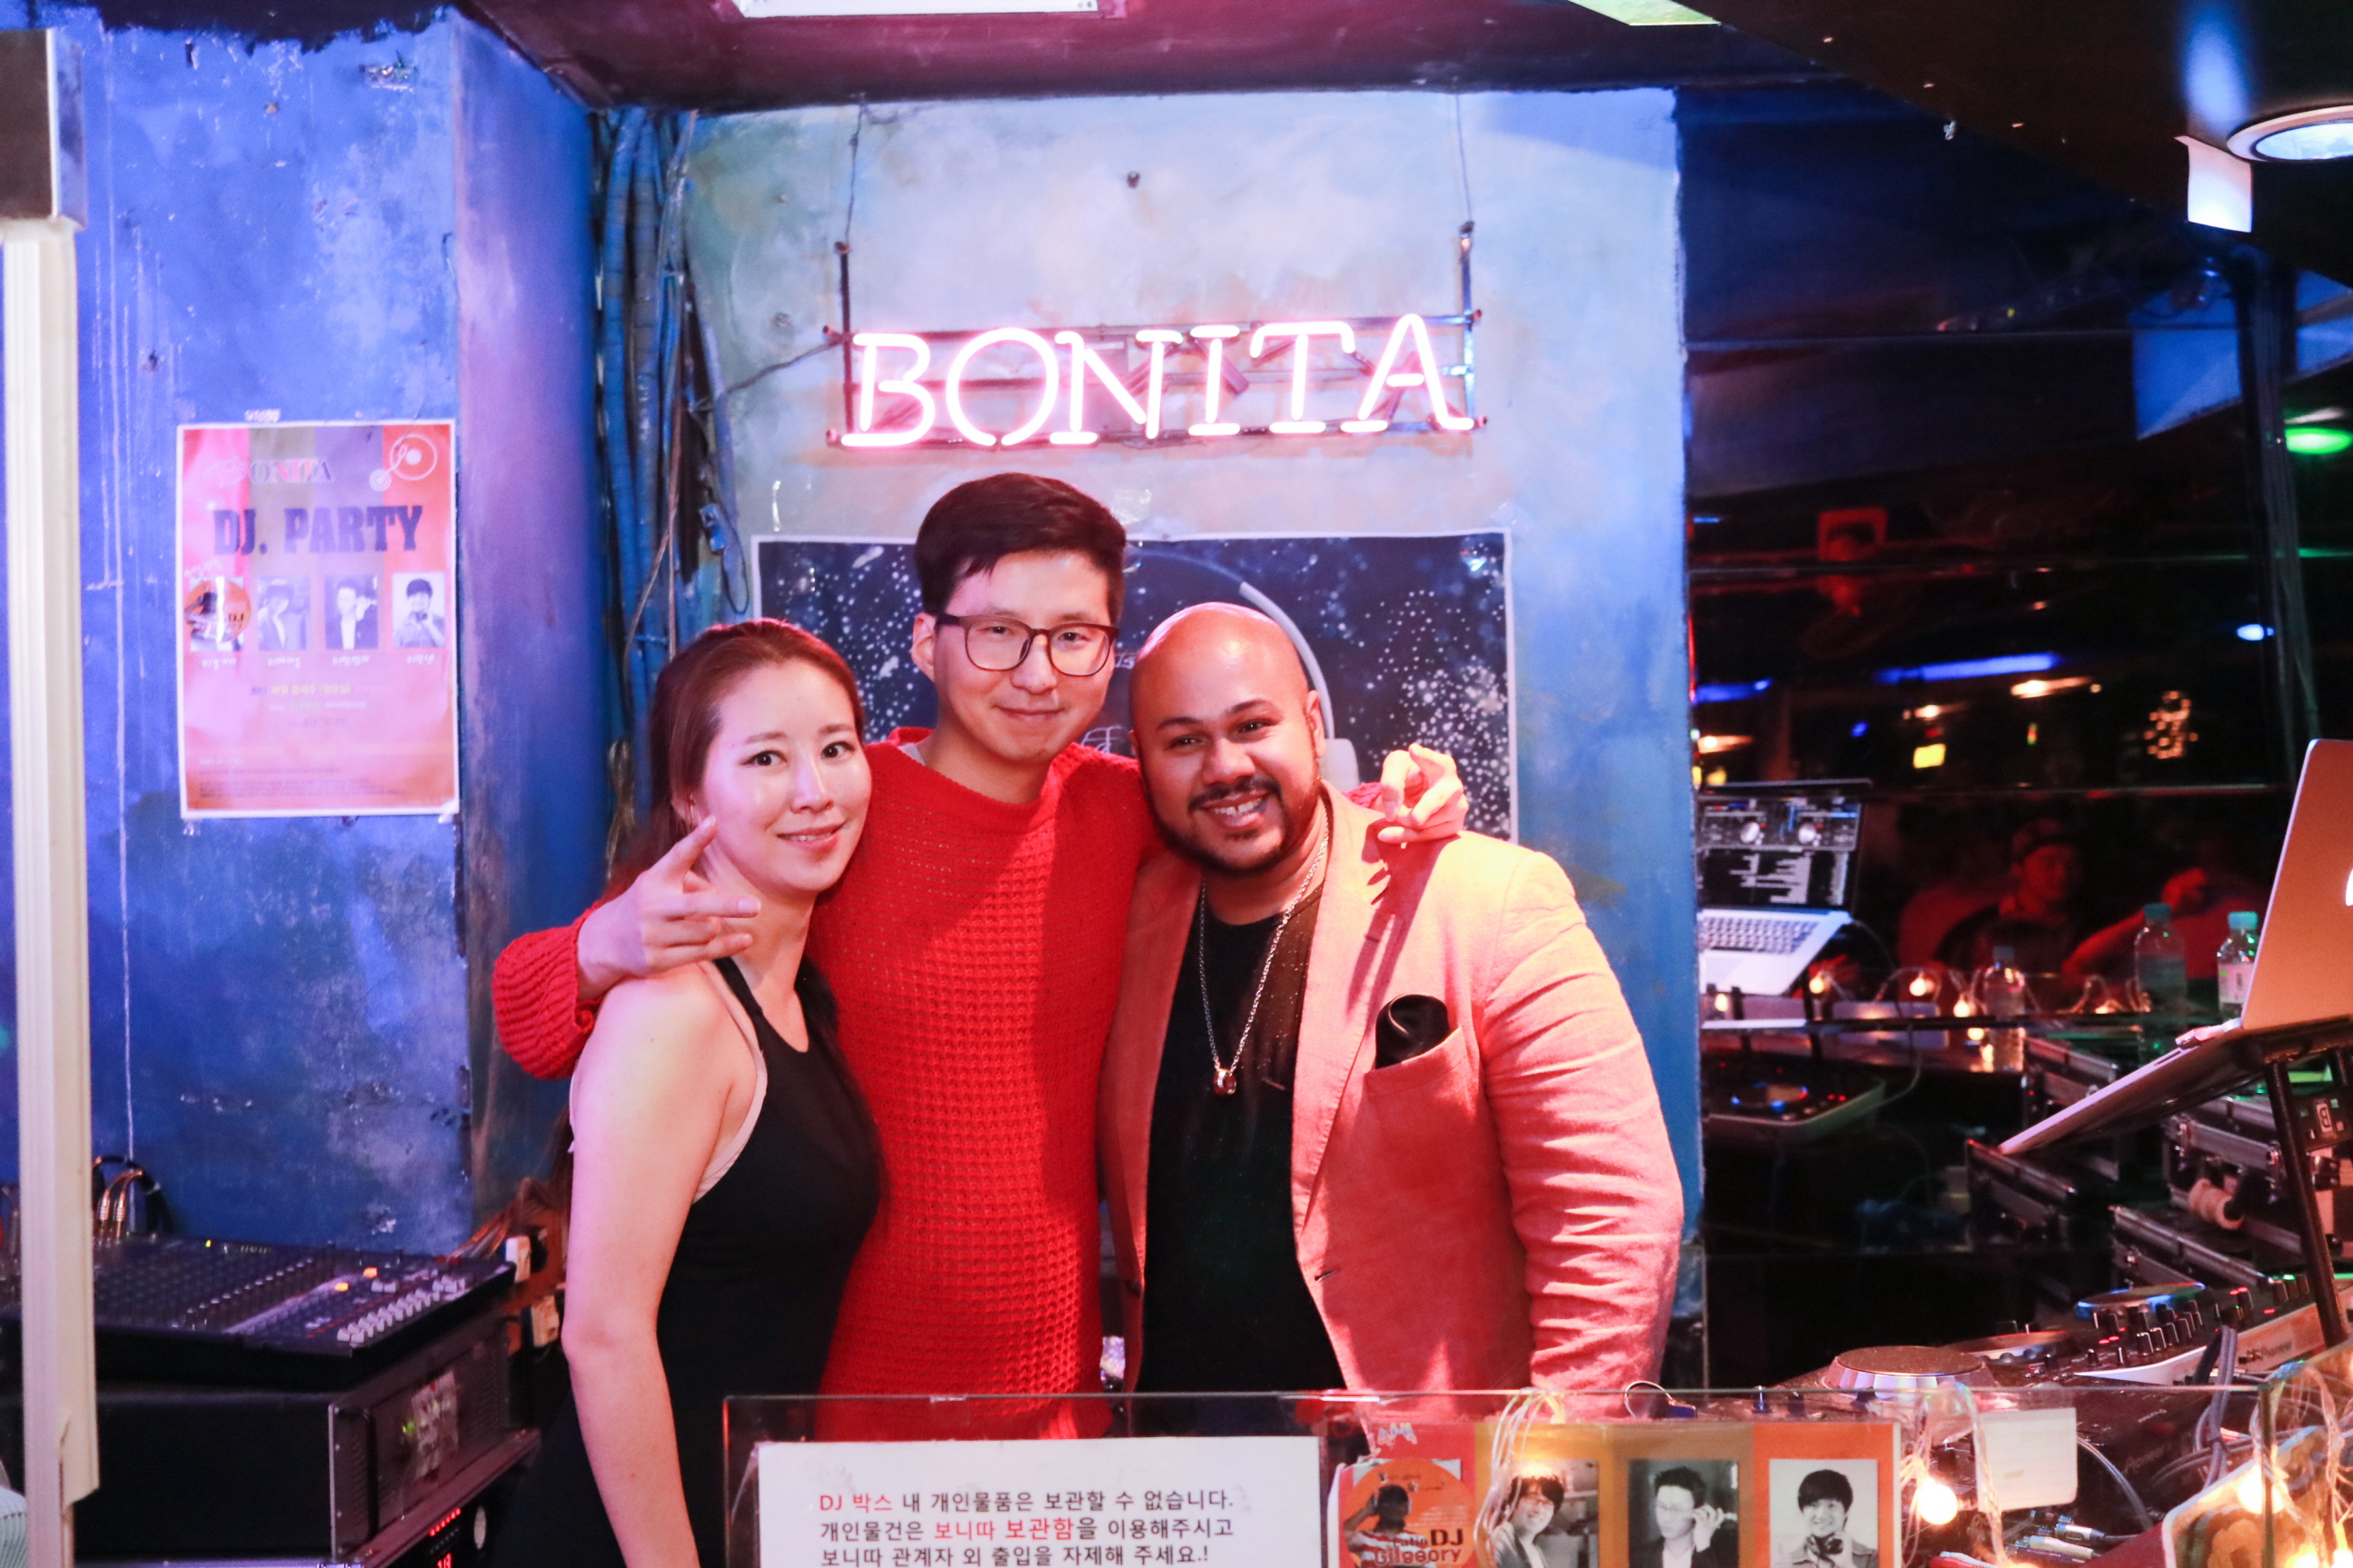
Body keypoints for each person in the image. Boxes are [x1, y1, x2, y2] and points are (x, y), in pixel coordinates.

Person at [489, 474, 1464, 1429]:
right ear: (928, 641)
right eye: (999, 633)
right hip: (840, 1426)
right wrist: (600, 944)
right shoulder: (832, 810)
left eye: (1073, 637)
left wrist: (1395, 807)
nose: (1037, 675)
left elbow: (1266, 813)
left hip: (1058, 1424)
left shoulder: (1119, 810)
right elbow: (530, 1021)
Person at [1098, 604, 1679, 1394]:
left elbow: (1610, 1214)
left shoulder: (1485, 898)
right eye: (1184, 740)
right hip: (1185, 1454)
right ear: (1140, 759)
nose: (1225, 766)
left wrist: (1561, 1449)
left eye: (1253, 725)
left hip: (1425, 1458)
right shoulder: (1121, 921)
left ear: (1312, 725)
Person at [495, 620, 879, 1568]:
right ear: (686, 793)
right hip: (631, 1540)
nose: (813, 791)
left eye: (836, 748)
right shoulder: (674, 1012)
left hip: (734, 1515)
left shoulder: (791, 992)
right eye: (765, 758)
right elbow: (604, 1337)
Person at [1937, 819, 2082, 976]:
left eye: (2071, 865)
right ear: (2018, 868)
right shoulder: (1976, 929)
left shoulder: (2088, 928)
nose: (2062, 874)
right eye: (2048, 864)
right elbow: (1937, 975)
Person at [1631, 1467, 1735, 1568]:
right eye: (1661, 1507)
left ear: (1698, 1510)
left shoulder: (1724, 1557)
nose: (1666, 1518)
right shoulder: (1638, 1558)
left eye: (1676, 1509)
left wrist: (1703, 1547)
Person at [1782, 1470, 1873, 1568]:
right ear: (1802, 1511)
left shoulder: (1872, 1558)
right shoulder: (1786, 1563)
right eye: (1813, 1505)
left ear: (1846, 1512)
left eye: (1831, 1506)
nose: (1821, 1515)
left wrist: (1847, 1565)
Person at [1488, 1474, 1576, 1568]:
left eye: (1547, 1504)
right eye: (1532, 1499)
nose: (1539, 1510)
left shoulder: (1535, 1552)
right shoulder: (1499, 1541)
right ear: (1514, 1503)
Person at [1342, 1484, 1427, 1568]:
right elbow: (1341, 1538)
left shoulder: (1418, 1540)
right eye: (1388, 1503)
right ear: (1377, 1507)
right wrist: (1366, 1511)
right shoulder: (1365, 1538)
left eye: (1399, 1503)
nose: (1394, 1508)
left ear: (1407, 1508)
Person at [394, 576, 447, 646]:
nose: (418, 600)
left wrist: (430, 626)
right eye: (414, 596)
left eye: (422, 596)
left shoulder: (441, 621)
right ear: (408, 599)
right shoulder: (400, 625)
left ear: (429, 599)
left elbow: (449, 648)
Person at [327, 580, 378, 650]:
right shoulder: (330, 626)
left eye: (347, 599)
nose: (342, 603)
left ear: (357, 600)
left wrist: (360, 619)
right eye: (340, 598)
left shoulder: (368, 625)